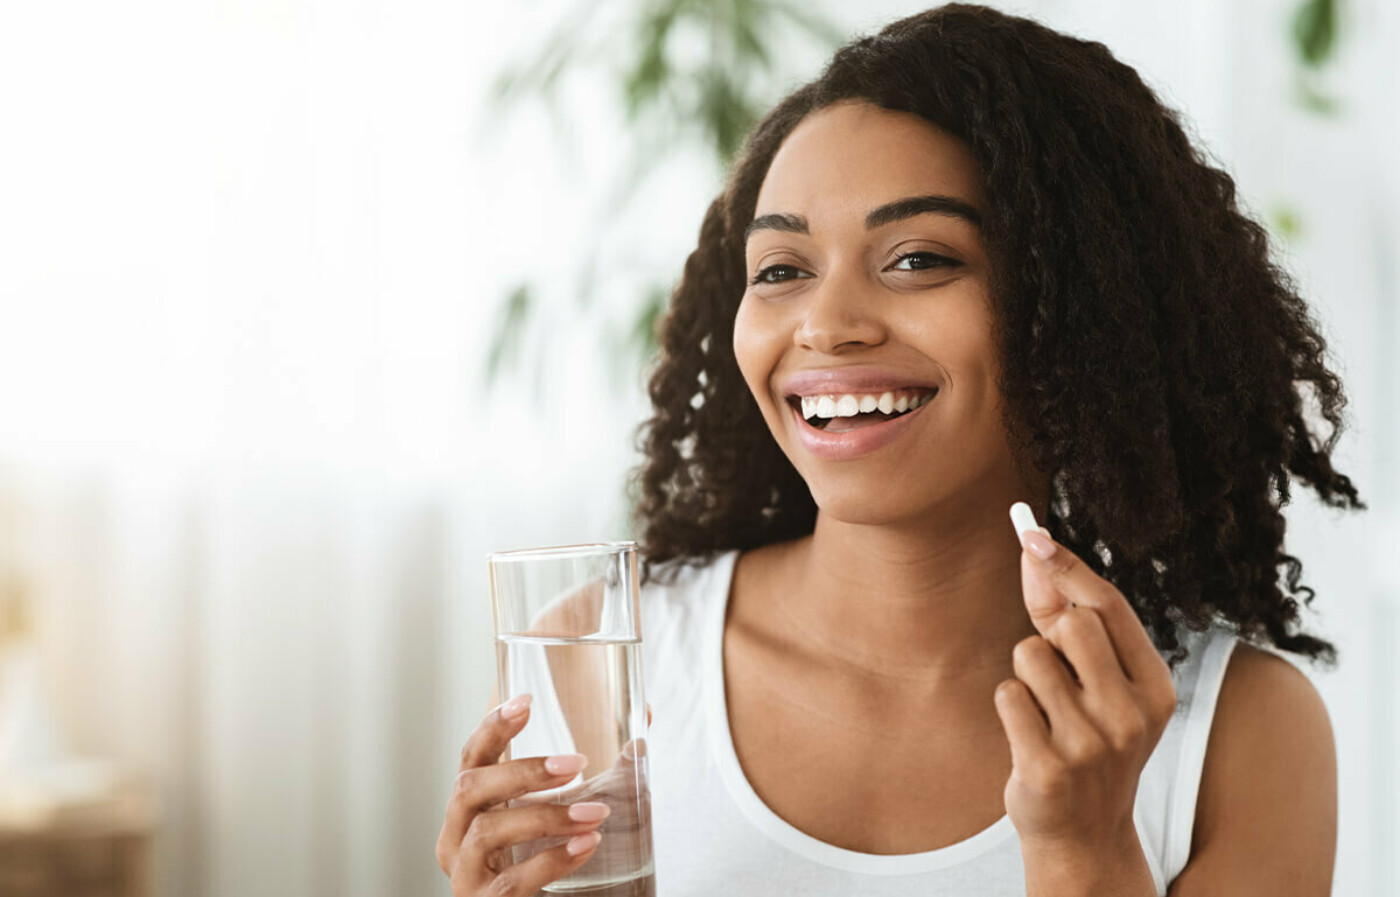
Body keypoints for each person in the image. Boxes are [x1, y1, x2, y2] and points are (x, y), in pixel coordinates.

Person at [438, 4, 1362, 894]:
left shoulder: (1239, 731)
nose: (825, 324)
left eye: (919, 258)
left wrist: (1085, 849)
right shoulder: (595, 654)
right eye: (781, 270)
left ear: (1081, 309)